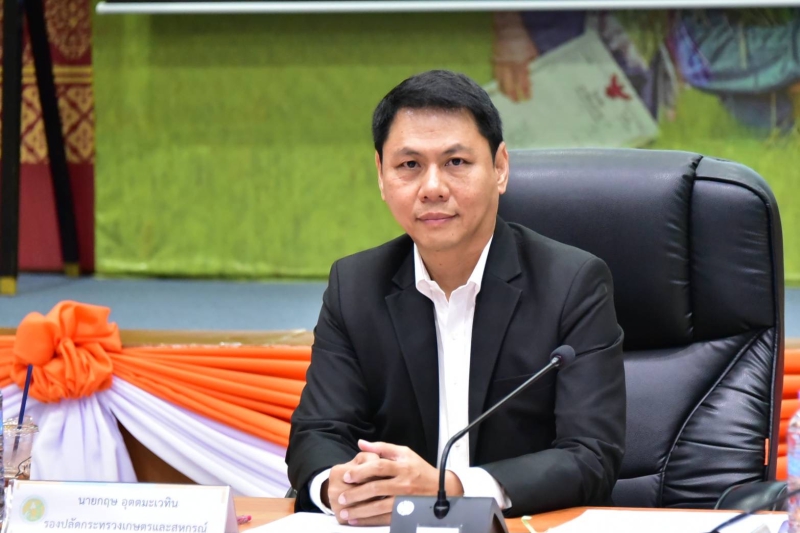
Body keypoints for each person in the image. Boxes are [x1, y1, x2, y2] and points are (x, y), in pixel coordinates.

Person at [286, 69, 626, 526]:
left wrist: (450, 488)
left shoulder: (571, 284)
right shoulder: (355, 286)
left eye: (456, 162)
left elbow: (590, 456)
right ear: (381, 176)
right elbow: (317, 434)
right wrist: (339, 487)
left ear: (500, 168)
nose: (432, 188)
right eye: (409, 165)